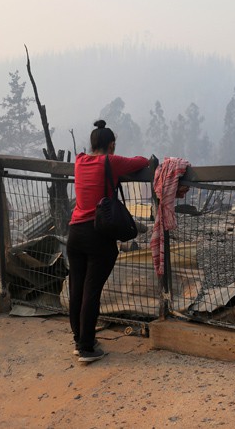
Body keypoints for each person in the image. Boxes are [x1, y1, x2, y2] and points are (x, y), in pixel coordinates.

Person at [67, 120, 149, 363]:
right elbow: (141, 162)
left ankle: (80, 339)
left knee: (77, 288)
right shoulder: (111, 162)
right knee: (92, 291)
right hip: (97, 235)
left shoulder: (79, 160)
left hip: (75, 233)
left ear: (92, 144)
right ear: (111, 145)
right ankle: (86, 348)